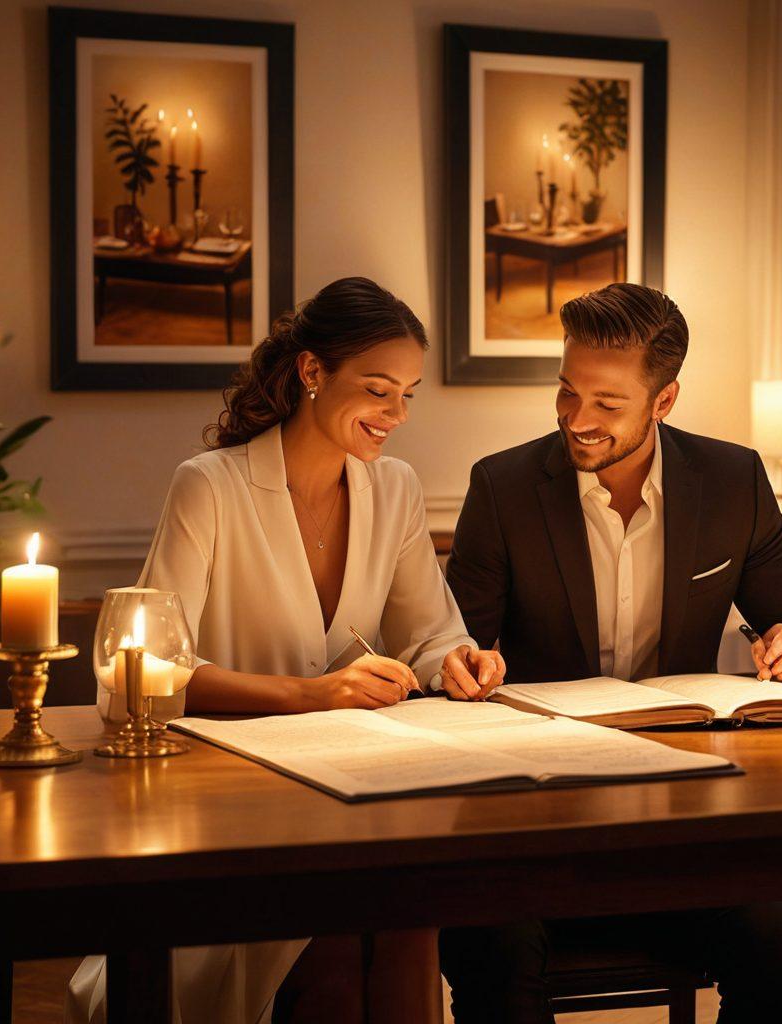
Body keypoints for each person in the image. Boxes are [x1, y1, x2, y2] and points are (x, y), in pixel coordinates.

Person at [67, 277, 504, 1024]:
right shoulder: (210, 487)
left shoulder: (395, 489)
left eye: (408, 395)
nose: (397, 415)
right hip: (229, 803)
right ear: (311, 372)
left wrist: (458, 660)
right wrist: (310, 695)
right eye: (378, 391)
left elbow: (431, 632)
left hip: (354, 791)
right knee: (327, 944)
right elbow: (138, 676)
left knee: (413, 923)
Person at [438, 283, 782, 1022]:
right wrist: (459, 664)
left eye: (606, 403)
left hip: (680, 828)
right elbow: (449, 643)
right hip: (536, 825)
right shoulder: (502, 487)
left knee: (778, 943)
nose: (577, 419)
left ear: (664, 401)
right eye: (567, 392)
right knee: (488, 947)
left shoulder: (733, 482)